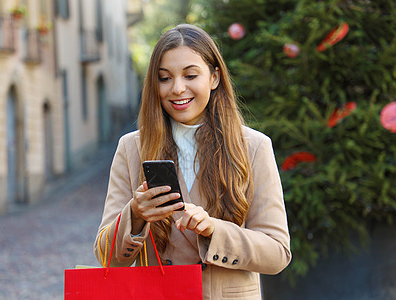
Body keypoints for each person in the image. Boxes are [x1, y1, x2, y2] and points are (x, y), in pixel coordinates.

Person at [94, 24, 291, 299]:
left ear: (214, 77)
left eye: (190, 75)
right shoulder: (132, 148)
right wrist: (136, 215)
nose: (177, 89)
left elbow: (277, 253)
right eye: (164, 78)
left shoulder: (253, 147)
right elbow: (106, 256)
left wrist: (214, 230)